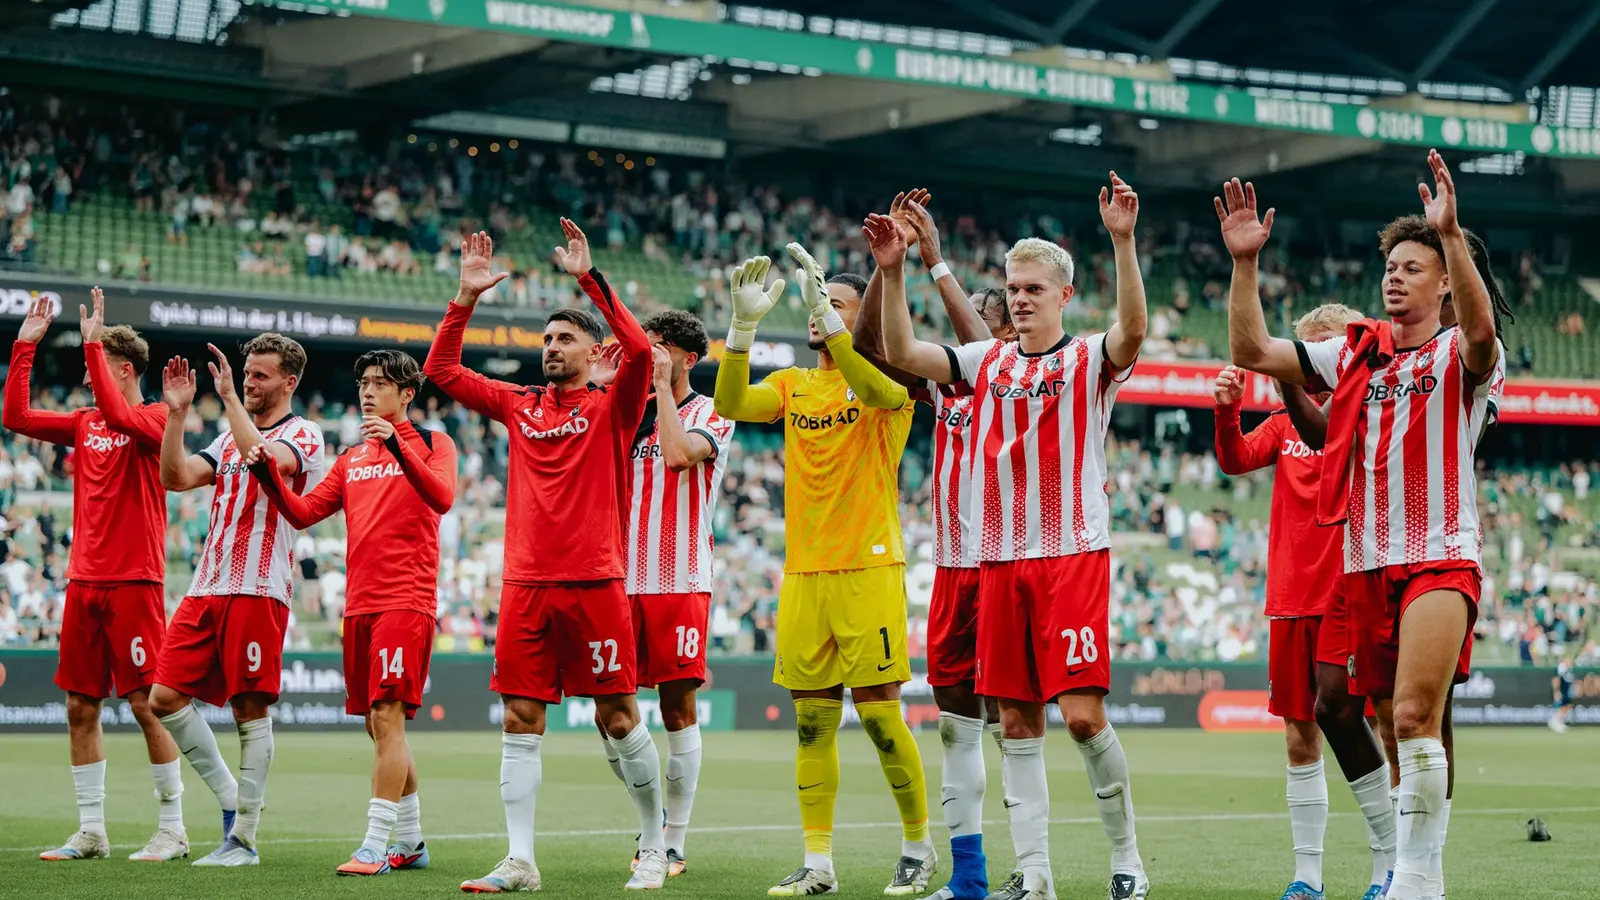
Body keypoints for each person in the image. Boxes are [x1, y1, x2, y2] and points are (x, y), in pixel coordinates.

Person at [1217, 150, 1511, 900]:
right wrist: (1245, 264)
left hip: (1441, 553)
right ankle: (1411, 870)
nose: (1395, 276)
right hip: (1364, 561)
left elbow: (1478, 333)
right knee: (1378, 719)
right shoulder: (1356, 354)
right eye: (1391, 266)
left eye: (1413, 266)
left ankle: (1415, 880)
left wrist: (1450, 234)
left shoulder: (1461, 354)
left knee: (1414, 713)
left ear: (1444, 280)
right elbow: (1253, 351)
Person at [875, 173, 1151, 900]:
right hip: (999, 565)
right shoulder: (985, 363)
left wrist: (1122, 242)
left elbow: (1135, 331)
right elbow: (903, 350)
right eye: (1014, 287)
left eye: (1034, 288)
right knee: (1018, 726)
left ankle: (1127, 860)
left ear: (1062, 296)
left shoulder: (1089, 359)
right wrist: (895, 269)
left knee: (1086, 720)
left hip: (1071, 558)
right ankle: (1035, 877)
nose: (1021, 298)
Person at [425, 226, 669, 892]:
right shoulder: (519, 404)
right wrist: (464, 299)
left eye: (566, 339)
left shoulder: (616, 406)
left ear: (595, 351)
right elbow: (441, 373)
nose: (552, 348)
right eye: (548, 340)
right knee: (518, 718)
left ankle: (654, 845)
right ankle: (521, 860)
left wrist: (589, 280)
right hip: (526, 585)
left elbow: (643, 352)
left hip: (596, 583)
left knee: (617, 716)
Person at [714, 243, 934, 897]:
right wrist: (742, 328)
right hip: (805, 573)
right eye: (817, 300)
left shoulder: (892, 383)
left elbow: (869, 386)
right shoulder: (793, 387)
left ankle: (917, 849)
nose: (819, 310)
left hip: (869, 568)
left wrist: (837, 327)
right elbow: (728, 404)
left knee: (880, 717)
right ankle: (819, 865)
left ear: (861, 320)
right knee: (812, 722)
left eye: (834, 303)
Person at [851, 189, 1016, 900]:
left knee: (1027, 727)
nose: (977, 338)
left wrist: (936, 261)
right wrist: (888, 270)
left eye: (996, 320)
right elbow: (868, 348)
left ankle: (1040, 869)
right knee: (956, 726)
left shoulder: (1033, 379)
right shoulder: (944, 390)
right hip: (954, 566)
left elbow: (978, 345)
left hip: (1014, 561)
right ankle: (971, 879)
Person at [244, 349, 456, 876]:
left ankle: (374, 845)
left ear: (407, 394)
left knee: (387, 718)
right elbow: (303, 512)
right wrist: (270, 474)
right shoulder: (352, 458)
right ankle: (411, 842)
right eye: (364, 382)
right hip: (358, 605)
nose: (367, 392)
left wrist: (400, 448)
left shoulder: (434, 443)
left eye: (380, 383)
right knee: (377, 726)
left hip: (406, 601)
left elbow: (443, 497)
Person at [4, 289, 187, 863]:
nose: (88, 379)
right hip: (84, 582)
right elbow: (15, 416)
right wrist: (24, 347)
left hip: (135, 580)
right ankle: (92, 831)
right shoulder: (85, 423)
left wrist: (90, 341)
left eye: (96, 368)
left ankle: (173, 828)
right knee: (80, 706)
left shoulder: (157, 419)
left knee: (145, 705)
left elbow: (119, 413)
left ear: (125, 369)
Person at [150, 332, 326, 867]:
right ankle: (232, 799)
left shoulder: (306, 434)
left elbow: (260, 458)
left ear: (289, 382)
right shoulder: (225, 439)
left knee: (249, 710)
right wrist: (178, 414)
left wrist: (227, 399)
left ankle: (244, 839)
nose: (248, 382)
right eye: (245, 373)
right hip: (207, 586)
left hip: (258, 589)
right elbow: (174, 477)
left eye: (259, 375)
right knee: (163, 698)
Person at [1211, 302, 1368, 900]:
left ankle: (1392, 869)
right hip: (1290, 598)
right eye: (1304, 350)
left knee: (1371, 730)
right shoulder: (1282, 423)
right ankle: (1308, 877)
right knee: (1300, 738)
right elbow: (1235, 459)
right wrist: (1227, 409)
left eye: (1322, 348)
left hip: (1351, 594)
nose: (1310, 362)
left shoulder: (1366, 414)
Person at [606, 309, 734, 877]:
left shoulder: (711, 412)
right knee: (609, 711)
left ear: (686, 357)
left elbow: (680, 456)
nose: (647, 354)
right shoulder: (623, 412)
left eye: (656, 347)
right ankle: (653, 823)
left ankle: (672, 840)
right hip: (616, 580)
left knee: (676, 707)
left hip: (679, 579)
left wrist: (658, 386)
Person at [1550, 657, 1576, 733]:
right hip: (1563, 691)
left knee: (1568, 706)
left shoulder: (1569, 670)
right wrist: (1557, 691)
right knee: (1562, 706)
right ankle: (1556, 722)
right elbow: (1556, 680)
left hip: (1567, 691)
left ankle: (1559, 722)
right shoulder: (1561, 669)